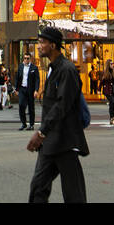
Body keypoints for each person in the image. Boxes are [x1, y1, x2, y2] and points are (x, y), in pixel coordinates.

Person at [27, 26, 88, 203]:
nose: (39, 46)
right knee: (38, 188)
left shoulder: (66, 69)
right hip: (50, 142)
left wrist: (41, 132)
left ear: (53, 45)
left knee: (73, 194)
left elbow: (62, 105)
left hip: (65, 141)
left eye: (42, 42)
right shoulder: (54, 68)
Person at [17, 53, 40, 130]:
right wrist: (16, 89)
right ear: (23, 59)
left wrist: (36, 90)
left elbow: (37, 79)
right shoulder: (20, 66)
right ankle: (23, 123)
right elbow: (18, 78)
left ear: (30, 59)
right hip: (22, 89)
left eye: (28, 58)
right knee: (21, 105)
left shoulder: (34, 68)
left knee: (31, 107)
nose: (26, 60)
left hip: (30, 89)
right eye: (25, 58)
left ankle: (31, 124)